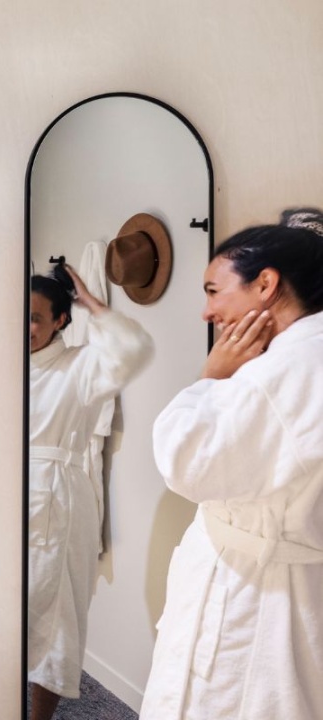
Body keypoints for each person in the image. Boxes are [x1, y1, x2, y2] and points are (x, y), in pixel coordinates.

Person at [141, 209, 323, 720]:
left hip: (254, 597)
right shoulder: (298, 358)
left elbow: (187, 462)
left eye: (214, 290)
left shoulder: (281, 373)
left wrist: (211, 378)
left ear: (265, 283)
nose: (206, 312)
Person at [28, 265, 152, 720]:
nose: (26, 328)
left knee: (56, 620)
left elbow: (134, 348)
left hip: (57, 501)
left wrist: (91, 302)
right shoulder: (0, 363)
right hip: (1, 494)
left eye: (37, 317)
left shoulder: (79, 365)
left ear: (62, 320)